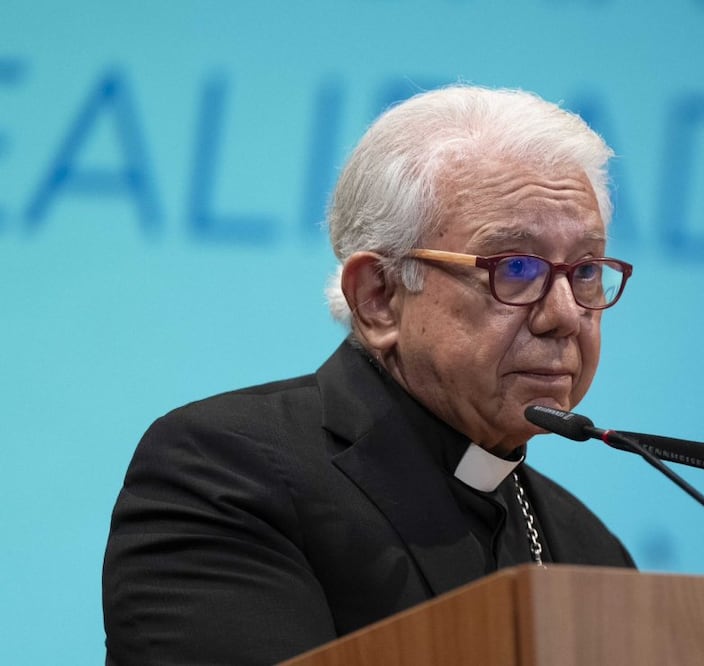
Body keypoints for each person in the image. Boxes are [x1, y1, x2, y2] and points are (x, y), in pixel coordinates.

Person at [102, 85, 636, 665]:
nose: (563, 316)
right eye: (514, 266)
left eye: (585, 270)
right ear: (379, 296)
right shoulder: (228, 475)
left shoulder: (591, 551)